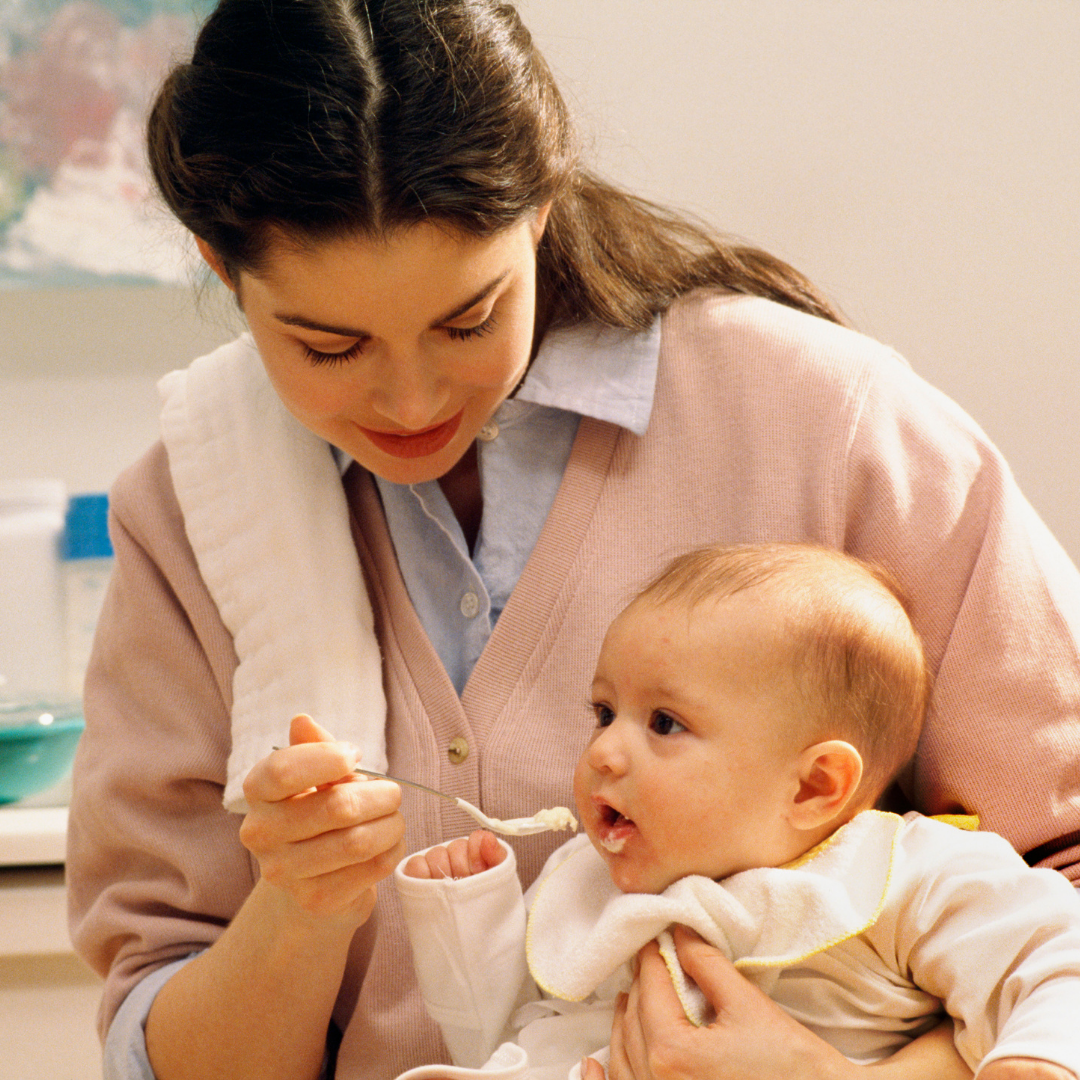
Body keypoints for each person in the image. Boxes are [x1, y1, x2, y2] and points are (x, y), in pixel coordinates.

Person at [63, 1, 1080, 1079]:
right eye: (330, 344)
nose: (410, 400)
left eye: (467, 319)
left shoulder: (826, 418)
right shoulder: (193, 511)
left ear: (541, 208)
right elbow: (164, 1033)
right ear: (225, 273)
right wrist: (299, 913)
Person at [397, 543, 1080, 1080]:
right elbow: (495, 1033)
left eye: (663, 723)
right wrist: (468, 911)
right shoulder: (596, 875)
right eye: (605, 713)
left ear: (814, 787)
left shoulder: (903, 874)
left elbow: (1055, 949)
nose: (604, 751)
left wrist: (1042, 1056)